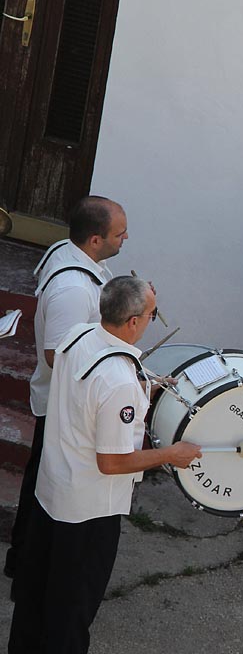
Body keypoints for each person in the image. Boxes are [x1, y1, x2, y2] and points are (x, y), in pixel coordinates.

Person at [7, 277, 200, 653]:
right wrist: (170, 455)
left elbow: (86, 396)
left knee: (35, 598)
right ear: (132, 321)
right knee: (71, 611)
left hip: (51, 493)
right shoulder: (119, 381)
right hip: (88, 512)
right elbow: (112, 461)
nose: (150, 322)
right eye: (152, 315)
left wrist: (146, 388)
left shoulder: (79, 335)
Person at [6, 196, 127, 580]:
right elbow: (58, 355)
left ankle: (23, 558)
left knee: (41, 480)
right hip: (62, 403)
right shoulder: (75, 289)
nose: (125, 239)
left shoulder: (72, 254)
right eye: (119, 234)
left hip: (63, 400)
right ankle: (26, 562)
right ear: (95, 239)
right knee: (43, 487)